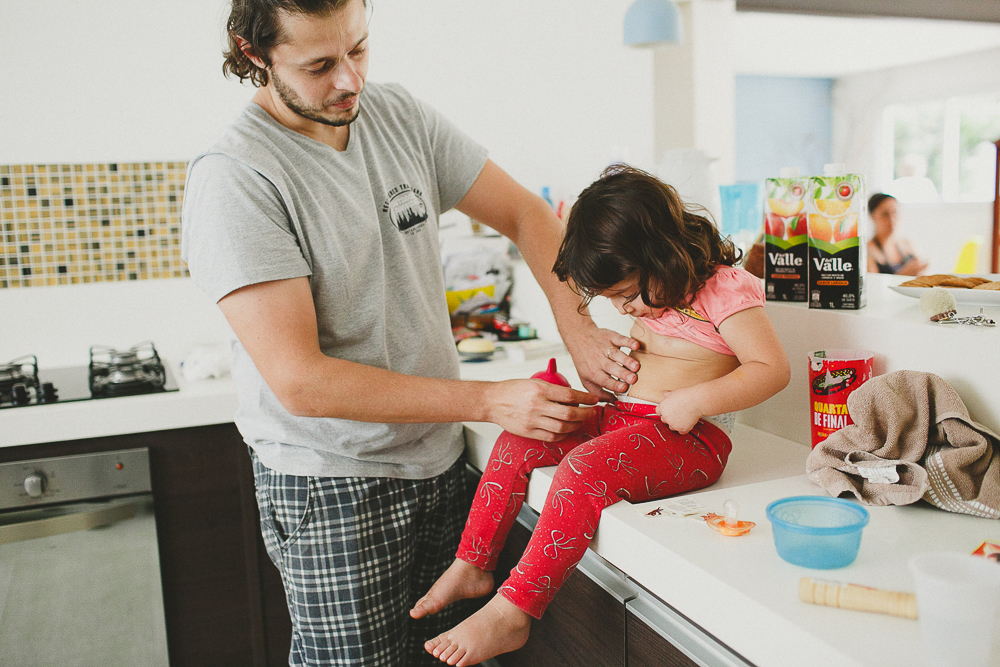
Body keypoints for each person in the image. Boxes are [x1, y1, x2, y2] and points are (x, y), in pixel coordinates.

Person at [180, 1, 641, 665]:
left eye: (359, 50)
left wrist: (581, 332)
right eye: (319, 65)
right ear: (253, 53)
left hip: (440, 464)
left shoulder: (397, 115)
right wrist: (489, 400)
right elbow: (302, 382)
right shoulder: (237, 176)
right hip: (333, 485)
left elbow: (526, 213)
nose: (350, 82)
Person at [412, 165, 791, 666]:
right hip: (624, 420)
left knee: (583, 471)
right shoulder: (652, 296)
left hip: (686, 440)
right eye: (613, 300)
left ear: (666, 253)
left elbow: (772, 369)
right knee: (525, 433)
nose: (625, 308)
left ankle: (515, 610)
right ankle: (473, 562)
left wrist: (697, 401)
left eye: (628, 296)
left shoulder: (725, 289)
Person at [866, 193, 928, 275]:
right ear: (872, 216)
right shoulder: (867, 251)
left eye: (895, 213)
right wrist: (903, 274)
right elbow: (872, 285)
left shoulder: (907, 244)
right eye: (885, 214)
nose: (892, 220)